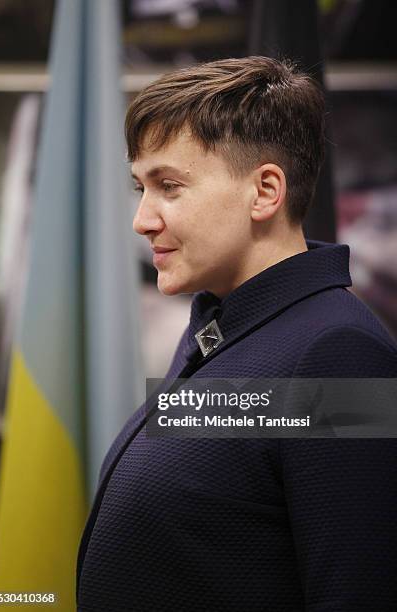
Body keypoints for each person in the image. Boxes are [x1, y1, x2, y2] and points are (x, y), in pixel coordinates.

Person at [76, 56, 397, 611]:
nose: (142, 219)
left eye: (169, 186)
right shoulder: (220, 328)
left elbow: (359, 591)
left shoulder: (336, 353)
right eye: (140, 188)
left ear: (265, 192)